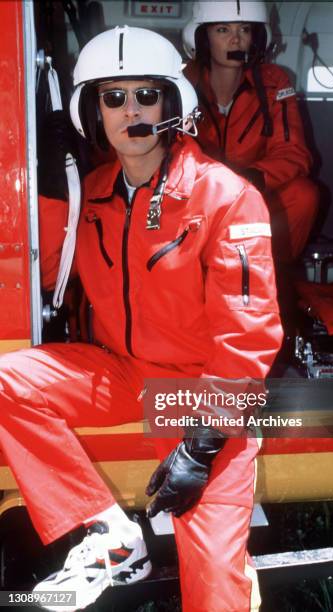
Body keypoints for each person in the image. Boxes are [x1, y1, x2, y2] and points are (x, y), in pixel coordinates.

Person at [0, 26, 282, 612]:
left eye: (146, 96)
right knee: (9, 383)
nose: (130, 111)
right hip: (123, 373)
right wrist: (55, 190)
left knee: (211, 586)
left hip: (198, 395)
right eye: (112, 97)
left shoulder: (225, 196)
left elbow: (248, 336)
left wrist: (202, 446)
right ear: (91, 111)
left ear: (173, 105)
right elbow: (52, 273)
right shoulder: (95, 193)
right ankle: (110, 532)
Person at [182, 1, 319, 336]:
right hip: (197, 198)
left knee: (305, 195)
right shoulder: (181, 83)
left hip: (257, 194)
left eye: (244, 30)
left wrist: (251, 180)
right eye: (223, 30)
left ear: (256, 39)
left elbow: (295, 152)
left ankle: (273, 275)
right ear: (203, 38)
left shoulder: (275, 82)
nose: (235, 40)